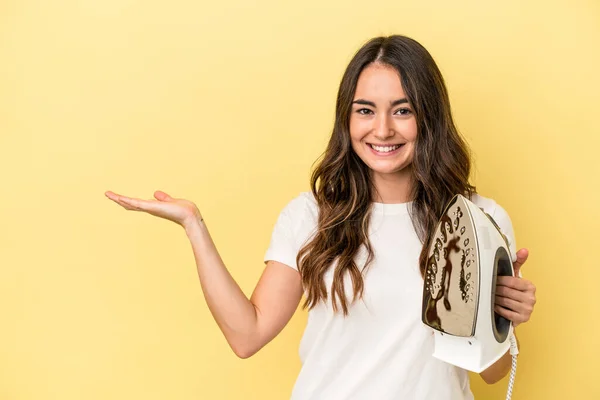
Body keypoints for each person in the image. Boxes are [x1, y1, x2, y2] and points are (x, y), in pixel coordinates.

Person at [105, 35, 537, 399]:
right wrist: (194, 226)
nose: (382, 129)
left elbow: (492, 372)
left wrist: (504, 315)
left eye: (402, 110)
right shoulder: (312, 215)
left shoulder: (478, 219)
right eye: (365, 110)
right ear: (346, 119)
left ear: (429, 119)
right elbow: (247, 335)